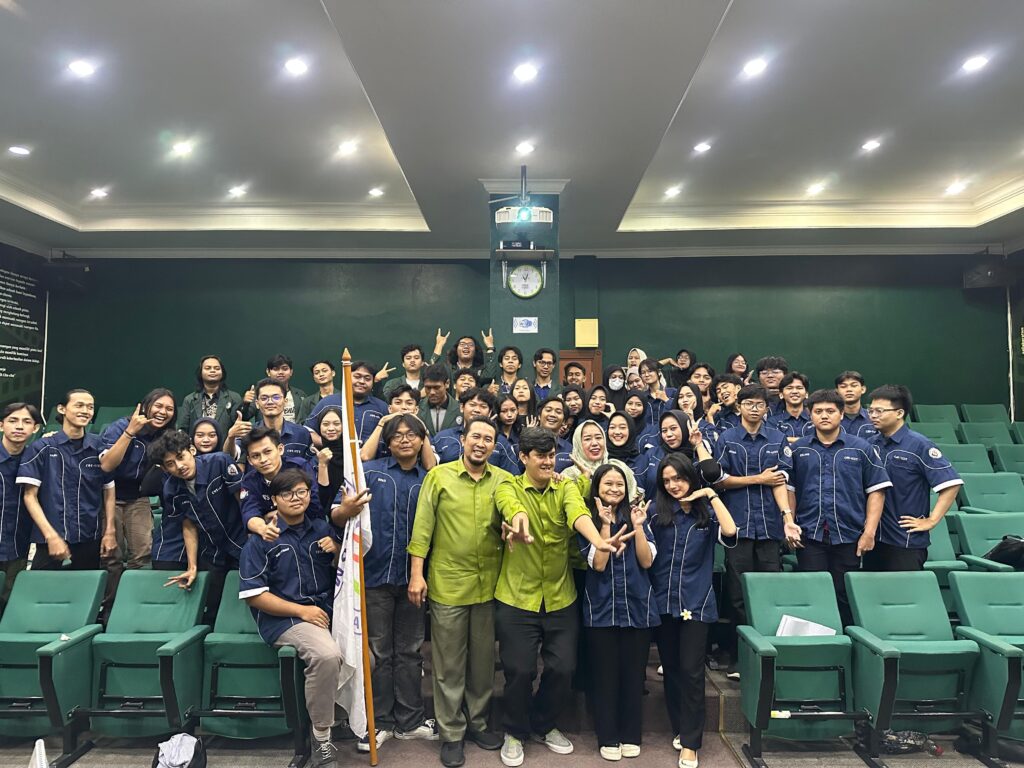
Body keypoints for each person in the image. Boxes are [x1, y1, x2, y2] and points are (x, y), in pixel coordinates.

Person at [493, 427, 633, 767]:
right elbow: (513, 508)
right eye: (540, 456)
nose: (547, 462)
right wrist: (519, 523)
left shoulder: (565, 486)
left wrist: (599, 541)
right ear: (523, 457)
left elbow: (577, 513)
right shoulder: (509, 486)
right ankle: (514, 731)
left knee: (563, 668)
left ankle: (543, 724)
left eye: (552, 455)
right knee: (519, 670)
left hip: (560, 596)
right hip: (517, 597)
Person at [408, 416, 511, 768]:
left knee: (482, 664)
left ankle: (478, 724)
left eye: (488, 439)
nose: (481, 444)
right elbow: (422, 529)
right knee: (449, 665)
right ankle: (451, 733)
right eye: (475, 437)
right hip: (449, 584)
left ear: (494, 446)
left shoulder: (503, 480)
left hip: (490, 586)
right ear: (463, 440)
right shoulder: (439, 477)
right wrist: (416, 575)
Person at [239, 468, 343, 768]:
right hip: (285, 619)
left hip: (323, 612)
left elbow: (342, 570)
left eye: (302, 492)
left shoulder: (322, 529)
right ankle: (321, 737)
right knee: (326, 656)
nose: (296, 498)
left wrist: (336, 550)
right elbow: (255, 595)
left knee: (366, 658)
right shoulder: (262, 539)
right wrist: (301, 611)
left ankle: (342, 719)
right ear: (274, 499)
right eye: (287, 493)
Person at [775, 389, 892, 626]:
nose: (824, 415)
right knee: (812, 595)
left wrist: (869, 532)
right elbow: (789, 490)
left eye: (830, 411)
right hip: (809, 535)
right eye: (818, 411)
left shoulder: (861, 448)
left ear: (841, 414)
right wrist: (790, 523)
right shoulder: (799, 449)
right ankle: (816, 644)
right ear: (810, 415)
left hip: (849, 535)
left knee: (845, 595)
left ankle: (846, 640)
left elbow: (877, 491)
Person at [649, 454, 738, 768]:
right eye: (667, 480)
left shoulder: (707, 515)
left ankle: (691, 742)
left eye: (679, 478)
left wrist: (711, 494)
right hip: (662, 602)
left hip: (697, 603)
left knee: (691, 671)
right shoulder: (655, 512)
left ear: (691, 477)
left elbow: (731, 531)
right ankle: (681, 727)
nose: (674, 485)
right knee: (672, 670)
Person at [363, 415, 436, 751]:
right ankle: (380, 722)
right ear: (388, 441)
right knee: (380, 653)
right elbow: (339, 513)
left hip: (414, 580)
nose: (405, 440)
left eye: (411, 435)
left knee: (410, 652)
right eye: (397, 435)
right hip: (375, 576)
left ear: (422, 440)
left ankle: (410, 721)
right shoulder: (370, 472)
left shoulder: (431, 480)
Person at [580, 463, 657, 761]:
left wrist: (638, 527)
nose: (614, 489)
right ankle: (608, 736)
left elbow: (646, 561)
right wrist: (604, 526)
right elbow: (598, 565)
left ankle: (631, 734)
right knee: (605, 676)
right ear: (597, 488)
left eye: (619, 484)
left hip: (638, 606)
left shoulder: (638, 516)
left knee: (634, 676)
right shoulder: (587, 520)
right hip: (602, 609)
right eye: (608, 484)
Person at [713, 385, 786, 675]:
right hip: (738, 527)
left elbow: (781, 480)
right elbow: (719, 480)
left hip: (769, 527)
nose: (754, 409)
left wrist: (787, 516)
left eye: (759, 404)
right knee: (737, 595)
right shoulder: (727, 439)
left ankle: (769, 656)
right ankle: (739, 657)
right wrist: (758, 479)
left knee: (770, 593)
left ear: (767, 408)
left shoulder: (778, 439)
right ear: (739, 406)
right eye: (748, 404)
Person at [148, 429, 245, 622]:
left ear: (192, 450)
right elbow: (188, 525)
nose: (179, 466)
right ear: (165, 469)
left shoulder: (219, 462)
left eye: (180, 457)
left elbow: (243, 500)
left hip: (240, 541)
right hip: (211, 551)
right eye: (170, 464)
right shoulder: (171, 488)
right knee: (212, 607)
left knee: (244, 597)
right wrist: (192, 566)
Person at [17, 389, 116, 571]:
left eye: (90, 407)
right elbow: (30, 496)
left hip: (89, 536)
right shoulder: (42, 447)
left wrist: (110, 531)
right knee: (42, 587)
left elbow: (109, 489)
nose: (85, 411)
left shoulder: (99, 447)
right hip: (49, 538)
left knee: (85, 588)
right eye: (79, 405)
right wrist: (51, 536)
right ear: (62, 409)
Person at [866, 385, 962, 571]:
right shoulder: (870, 445)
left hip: (905, 540)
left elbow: (951, 484)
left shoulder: (919, 445)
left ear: (899, 413)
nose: (873, 415)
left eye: (880, 411)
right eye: (871, 410)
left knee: (904, 589)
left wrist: (932, 520)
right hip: (873, 538)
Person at [99, 389, 177, 572]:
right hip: (110, 496)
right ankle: (110, 592)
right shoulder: (120, 426)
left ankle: (135, 590)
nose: (163, 412)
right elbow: (106, 465)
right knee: (111, 556)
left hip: (138, 497)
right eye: (158, 406)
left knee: (143, 554)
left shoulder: (166, 435)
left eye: (169, 409)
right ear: (145, 406)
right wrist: (130, 432)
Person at [239, 426, 324, 539]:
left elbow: (314, 506)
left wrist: (282, 514)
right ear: (249, 460)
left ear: (280, 449)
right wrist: (263, 529)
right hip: (273, 533)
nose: (263, 460)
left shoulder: (299, 467)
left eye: (268, 452)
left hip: (309, 529)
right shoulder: (250, 481)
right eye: (256, 456)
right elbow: (249, 513)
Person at [0, 402, 41, 605]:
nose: (19, 426)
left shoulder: (37, 459)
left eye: (26, 422)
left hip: (18, 546)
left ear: (35, 428)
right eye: (13, 421)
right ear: (1, 425)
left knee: (10, 601)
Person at [636, 409, 722, 496]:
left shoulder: (696, 454)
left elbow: (712, 474)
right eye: (664, 430)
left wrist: (698, 444)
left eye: (673, 428)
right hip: (658, 504)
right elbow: (639, 487)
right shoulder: (652, 454)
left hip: (691, 504)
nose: (668, 434)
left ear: (685, 428)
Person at [434, 389, 519, 474]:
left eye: (483, 406)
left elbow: (512, 476)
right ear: (462, 407)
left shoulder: (500, 442)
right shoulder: (442, 437)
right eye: (472, 405)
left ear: (490, 412)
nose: (477, 410)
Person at [305, 361, 388, 444]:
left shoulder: (382, 407)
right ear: (347, 377)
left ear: (373, 381)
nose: (362, 381)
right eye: (357, 377)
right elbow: (308, 430)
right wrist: (327, 445)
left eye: (367, 378)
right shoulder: (327, 402)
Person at [361, 386, 435, 468]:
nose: (403, 407)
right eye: (398, 403)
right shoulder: (379, 430)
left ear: (416, 410)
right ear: (390, 409)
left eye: (409, 403)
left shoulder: (423, 432)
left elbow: (430, 466)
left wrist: (422, 427)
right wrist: (381, 423)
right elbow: (365, 457)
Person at [240, 378, 313, 461]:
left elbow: (310, 466)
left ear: (285, 401)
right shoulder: (249, 434)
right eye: (264, 398)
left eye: (276, 397)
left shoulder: (302, 434)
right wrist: (231, 438)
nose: (270, 402)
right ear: (257, 403)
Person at [177, 355, 244, 434]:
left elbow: (238, 427)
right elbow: (182, 430)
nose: (212, 371)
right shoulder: (189, 400)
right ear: (200, 372)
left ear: (222, 373)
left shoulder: (234, 398)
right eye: (208, 368)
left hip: (227, 442)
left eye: (217, 368)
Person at [432, 329, 498, 385]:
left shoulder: (480, 371)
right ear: (456, 350)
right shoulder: (448, 370)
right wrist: (439, 345)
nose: (466, 347)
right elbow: (433, 371)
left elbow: (489, 376)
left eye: (470, 345)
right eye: (462, 344)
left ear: (475, 351)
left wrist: (490, 347)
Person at [769, 372, 814, 443]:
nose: (794, 391)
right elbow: (773, 441)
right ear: (781, 395)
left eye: (799, 388)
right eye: (789, 388)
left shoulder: (815, 419)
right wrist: (807, 440)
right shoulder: (773, 421)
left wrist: (787, 439)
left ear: (806, 394)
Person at [265, 354, 310, 423]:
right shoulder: (261, 394)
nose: (280, 372)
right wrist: (247, 402)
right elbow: (247, 415)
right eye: (276, 369)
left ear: (291, 372)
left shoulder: (301, 394)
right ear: (268, 372)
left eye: (285, 369)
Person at [419, 364, 461, 437]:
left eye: (436, 387)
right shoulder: (417, 408)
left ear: (447, 383)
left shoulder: (460, 410)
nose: (432, 392)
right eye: (428, 388)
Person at [836, 371, 879, 440]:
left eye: (854, 385)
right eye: (843, 386)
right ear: (837, 391)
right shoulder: (831, 419)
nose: (849, 390)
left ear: (863, 389)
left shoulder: (874, 417)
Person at [606, 412, 646, 477]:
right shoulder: (602, 459)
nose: (617, 432)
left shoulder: (643, 461)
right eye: (612, 427)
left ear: (631, 430)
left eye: (622, 427)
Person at [639, 359, 675, 427]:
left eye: (650, 371)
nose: (646, 375)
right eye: (643, 372)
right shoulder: (641, 397)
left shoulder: (672, 392)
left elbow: (679, 411)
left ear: (658, 372)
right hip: (648, 432)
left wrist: (666, 400)